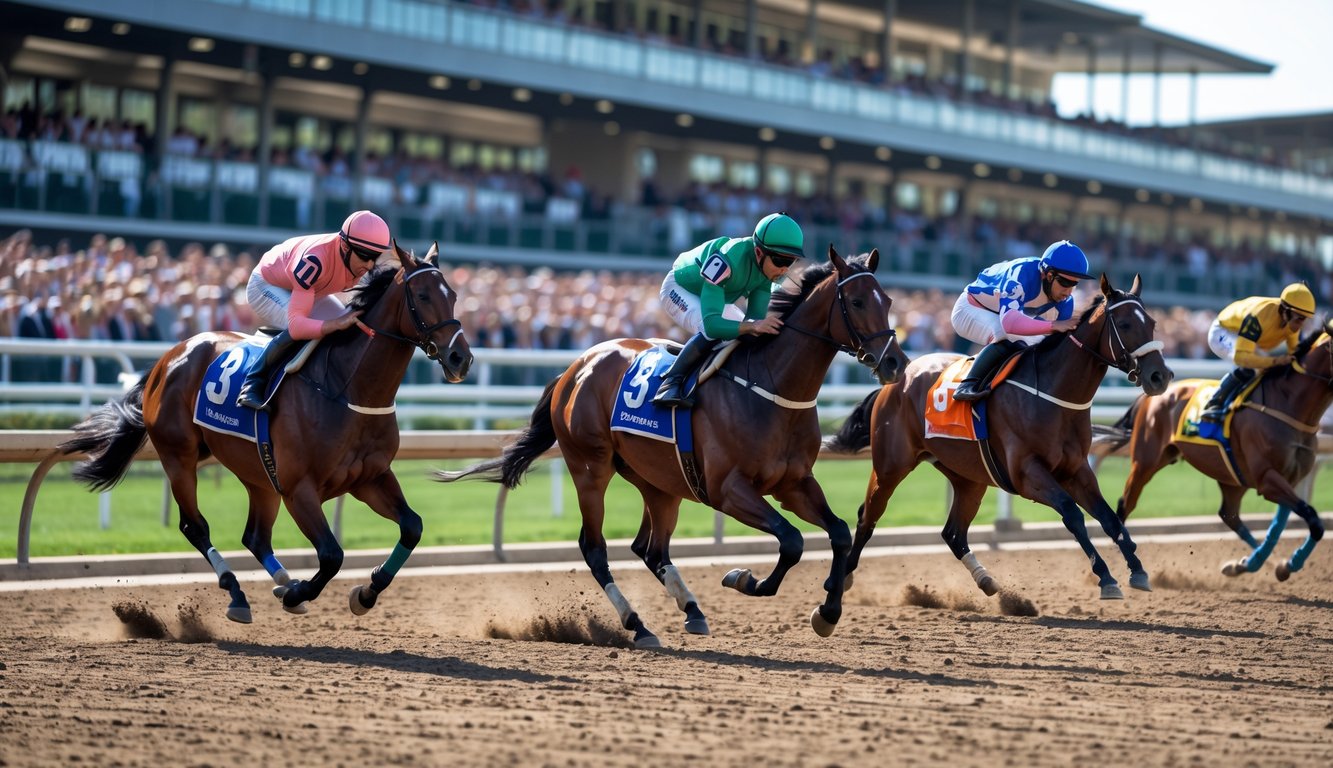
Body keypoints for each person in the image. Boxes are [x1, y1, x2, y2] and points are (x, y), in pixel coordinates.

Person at [235, 210, 389, 410]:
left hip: (310, 290)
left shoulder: (356, 256)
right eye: (364, 256)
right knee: (308, 332)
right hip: (267, 285)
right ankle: (251, 384)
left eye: (375, 257)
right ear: (344, 245)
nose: (369, 265)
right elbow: (297, 325)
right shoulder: (314, 260)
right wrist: (332, 324)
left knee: (350, 330)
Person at [650, 212, 804, 408]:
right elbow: (713, 325)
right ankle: (670, 382)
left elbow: (754, 319)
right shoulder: (728, 258)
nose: (784, 269)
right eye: (780, 261)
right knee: (716, 331)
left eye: (790, 262)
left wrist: (756, 327)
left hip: (714, 298)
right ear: (759, 252)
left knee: (746, 333)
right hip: (679, 289)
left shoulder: (767, 272)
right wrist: (752, 326)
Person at [949, 240, 1094, 401]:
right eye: (1065, 283)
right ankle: (968, 384)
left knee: (1039, 343)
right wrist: (1054, 325)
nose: (1068, 291)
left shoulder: (1065, 302)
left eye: (1074, 284)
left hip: (1004, 316)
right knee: (1004, 333)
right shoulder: (1022, 274)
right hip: (970, 309)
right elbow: (1010, 324)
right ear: (1049, 275)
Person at [1198, 282, 1315, 424]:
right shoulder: (1258, 316)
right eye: (1299, 318)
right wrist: (1275, 361)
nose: (1301, 324)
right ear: (1285, 311)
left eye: (1304, 319)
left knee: (1270, 371)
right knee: (1249, 368)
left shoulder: (1290, 321)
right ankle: (1214, 403)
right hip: (1224, 332)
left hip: (1247, 338)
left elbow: (1295, 354)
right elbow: (1242, 358)